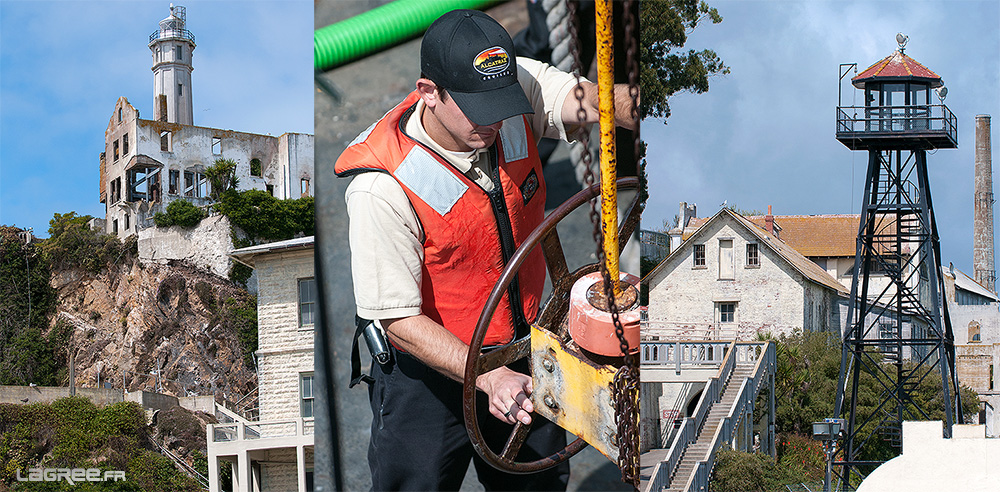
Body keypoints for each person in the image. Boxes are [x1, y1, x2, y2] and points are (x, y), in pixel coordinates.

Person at [334, 9, 637, 491]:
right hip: (427, 373)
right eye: (478, 108)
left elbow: (590, 101)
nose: (495, 119)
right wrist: (488, 377)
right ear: (429, 93)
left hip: (526, 346)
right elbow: (399, 321)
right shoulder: (382, 187)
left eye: (501, 101)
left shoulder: (508, 89)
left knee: (537, 483)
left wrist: (651, 104)